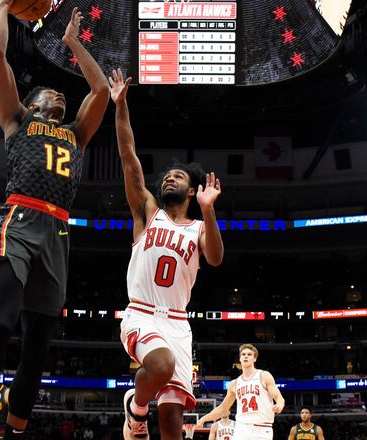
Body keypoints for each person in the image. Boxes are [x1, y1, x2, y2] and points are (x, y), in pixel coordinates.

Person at [0, 0, 109, 438]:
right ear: (32, 102)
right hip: (18, 221)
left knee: (36, 349)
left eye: (61, 94)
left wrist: (73, 42)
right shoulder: (17, 120)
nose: (60, 94)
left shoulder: (76, 134)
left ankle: (13, 431)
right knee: (1, 323)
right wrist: (3, 6)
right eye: (50, 92)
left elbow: (101, 91)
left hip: (58, 233)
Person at [108, 68, 224, 440]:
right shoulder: (147, 211)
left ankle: (140, 411)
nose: (169, 178)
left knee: (173, 418)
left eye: (179, 176)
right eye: (167, 175)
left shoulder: (198, 226)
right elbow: (129, 156)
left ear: (193, 191)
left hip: (178, 322)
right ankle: (135, 408)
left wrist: (209, 211)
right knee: (160, 363)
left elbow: (217, 259)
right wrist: (121, 105)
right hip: (141, 313)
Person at [196, 344, 284, 440]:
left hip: (262, 428)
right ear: (240, 358)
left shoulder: (264, 376)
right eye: (243, 354)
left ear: (255, 359)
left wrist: (279, 404)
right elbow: (223, 408)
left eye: (249, 354)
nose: (246, 356)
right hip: (241, 429)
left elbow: (278, 397)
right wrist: (203, 419)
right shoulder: (234, 384)